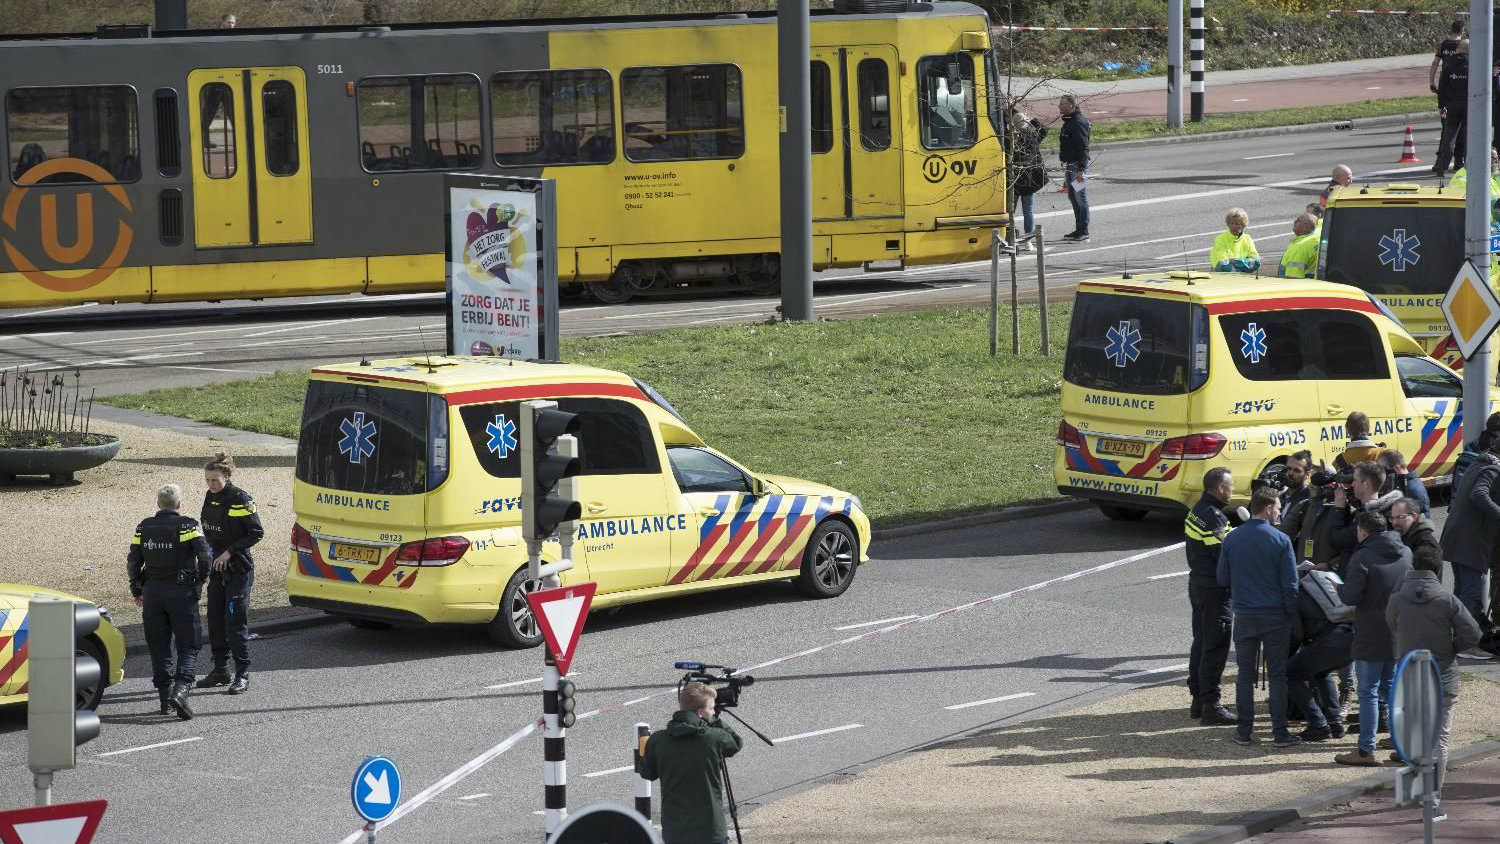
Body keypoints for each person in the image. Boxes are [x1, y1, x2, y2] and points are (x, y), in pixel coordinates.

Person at [1386, 544, 1482, 814]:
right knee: (1439, 739)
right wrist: (1452, 647)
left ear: (1413, 567)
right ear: (1439, 569)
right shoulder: (1446, 599)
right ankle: (1432, 803)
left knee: (1415, 737)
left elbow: (1392, 624)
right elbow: (1473, 633)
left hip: (1411, 676)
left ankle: (1416, 793)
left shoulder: (1397, 598)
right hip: (1442, 676)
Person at [1217, 487, 1301, 748]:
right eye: (1277, 508)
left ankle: (1244, 731)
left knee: (1244, 675)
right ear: (1267, 509)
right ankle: (1279, 733)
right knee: (1277, 676)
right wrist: (1293, 616)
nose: (1278, 513)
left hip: (1245, 614)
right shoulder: (1280, 540)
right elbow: (1290, 585)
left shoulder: (1232, 538)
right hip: (1275, 616)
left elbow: (1222, 578)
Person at [127, 484, 212, 720]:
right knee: (189, 644)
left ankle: (165, 700)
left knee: (159, 646)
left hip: (153, 592)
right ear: (179, 504)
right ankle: (181, 692)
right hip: (181, 592)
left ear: (158, 504)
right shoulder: (188, 525)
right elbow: (205, 555)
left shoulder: (144, 526)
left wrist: (136, 588)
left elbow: (133, 561)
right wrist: (201, 581)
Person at [1335, 511, 1412, 766]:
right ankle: (1402, 747)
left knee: (1367, 691)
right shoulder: (1405, 552)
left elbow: (1350, 597)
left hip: (1370, 631)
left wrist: (1338, 586)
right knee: (1392, 690)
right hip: (1398, 630)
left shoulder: (1363, 557)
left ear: (1363, 531)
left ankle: (1365, 750)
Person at [640, 681, 744, 844]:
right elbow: (736, 743)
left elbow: (647, 773)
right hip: (710, 832)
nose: (713, 711)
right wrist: (715, 719)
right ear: (701, 712)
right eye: (711, 709)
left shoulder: (658, 740)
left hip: (676, 832)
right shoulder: (713, 737)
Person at [197, 453, 264, 695]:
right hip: (218, 568)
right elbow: (208, 531)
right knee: (214, 619)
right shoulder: (209, 496)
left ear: (227, 476)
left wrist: (229, 552)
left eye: (215, 480)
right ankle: (221, 670)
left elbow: (256, 532)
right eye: (207, 480)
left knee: (235, 623)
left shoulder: (240, 499)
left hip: (238, 569)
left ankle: (242, 674)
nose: (211, 485)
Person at [1438, 435, 1500, 660]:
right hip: (1469, 541)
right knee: (1469, 593)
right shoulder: (1492, 469)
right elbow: (1479, 494)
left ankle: (1458, 639)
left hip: (1458, 537)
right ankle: (1467, 644)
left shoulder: (1480, 461)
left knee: (1462, 591)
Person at [1184, 467, 1236, 725]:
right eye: (1230, 486)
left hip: (1198, 585)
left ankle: (1197, 697)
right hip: (1215, 590)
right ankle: (1211, 704)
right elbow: (1224, 558)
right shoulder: (1216, 519)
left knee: (1201, 642)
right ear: (1219, 489)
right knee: (1215, 646)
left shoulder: (1197, 511)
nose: (1233, 490)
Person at [1285, 566, 1353, 741]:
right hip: (1352, 638)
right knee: (1322, 673)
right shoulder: (1325, 587)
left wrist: (1288, 654)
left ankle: (1318, 724)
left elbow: (1296, 633)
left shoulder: (1295, 595)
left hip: (1330, 642)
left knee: (1289, 674)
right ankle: (1336, 724)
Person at [1008, 108, 1048, 252]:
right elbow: (1043, 131)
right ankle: (1028, 241)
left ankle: (1010, 238)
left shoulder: (1009, 140)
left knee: (1010, 211)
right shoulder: (1031, 138)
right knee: (1028, 211)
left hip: (1014, 180)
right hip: (1028, 181)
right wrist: (1034, 122)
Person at [1433, 39, 1470, 178]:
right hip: (1469, 105)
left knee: (1449, 136)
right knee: (1468, 136)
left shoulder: (1449, 65)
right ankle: (1467, 166)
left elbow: (1442, 87)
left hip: (1452, 104)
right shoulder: (1474, 64)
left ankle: (1442, 166)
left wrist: (1442, 106)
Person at [1057, 94, 1091, 242]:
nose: (1060, 106)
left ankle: (1083, 230)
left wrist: (1082, 170)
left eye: (1062, 104)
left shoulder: (1077, 123)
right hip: (1071, 165)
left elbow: (1083, 147)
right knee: (1073, 197)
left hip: (1077, 166)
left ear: (1071, 106)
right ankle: (1078, 229)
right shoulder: (1070, 121)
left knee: (1080, 198)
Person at [1377, 448, 1430, 514]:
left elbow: (1422, 519)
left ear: (1397, 468)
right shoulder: (1398, 484)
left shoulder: (1413, 489)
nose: (1380, 473)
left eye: (1383, 469)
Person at [1209, 208, 1260, 273]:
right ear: (1228, 224)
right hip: (1223, 278)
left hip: (1244, 279)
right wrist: (1245, 265)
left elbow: (1255, 262)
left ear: (1243, 225)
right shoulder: (1221, 239)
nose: (1234, 226)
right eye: (1231, 223)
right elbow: (1224, 266)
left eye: (1237, 224)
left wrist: (1234, 261)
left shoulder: (1248, 239)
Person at [1431, 20, 1466, 98]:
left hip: (1445, 77)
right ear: (1462, 30)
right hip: (1461, 79)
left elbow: (1435, 62)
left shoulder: (1443, 44)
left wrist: (1432, 81)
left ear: (1452, 29)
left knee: (1444, 104)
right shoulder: (1464, 45)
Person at [1278, 213, 1319, 279]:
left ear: (1305, 228)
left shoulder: (1300, 247)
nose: (1294, 222)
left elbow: (1293, 278)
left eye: (1298, 221)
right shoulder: (1316, 238)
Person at [1279, 451, 1314, 516]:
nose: (1290, 473)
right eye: (1289, 469)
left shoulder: (1309, 500)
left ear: (1307, 474)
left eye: (1297, 470)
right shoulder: (1280, 496)